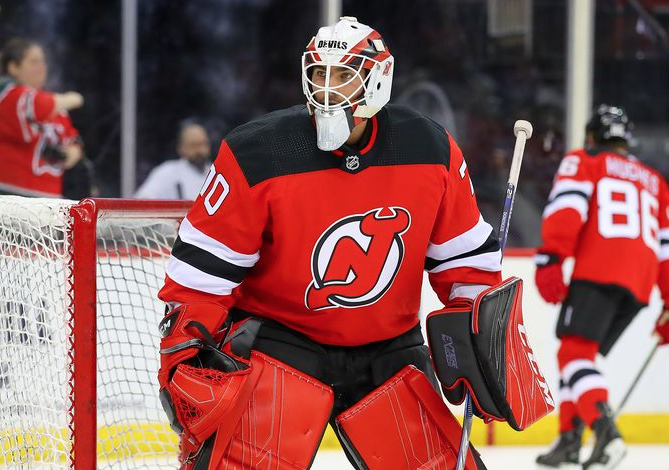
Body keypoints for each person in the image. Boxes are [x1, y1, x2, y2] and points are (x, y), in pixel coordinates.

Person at [156, 17, 550, 470]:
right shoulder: (257, 153)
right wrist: (182, 355)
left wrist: (477, 331)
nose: (328, 88)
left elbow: (465, 264)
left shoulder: (430, 148)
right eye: (319, 73)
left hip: (387, 347)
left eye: (343, 74)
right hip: (282, 342)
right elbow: (201, 275)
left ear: (378, 78)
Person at [535, 104, 669, 469]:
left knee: (573, 356)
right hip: (637, 286)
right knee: (578, 353)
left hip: (599, 269)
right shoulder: (656, 181)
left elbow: (568, 209)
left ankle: (605, 432)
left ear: (592, 137)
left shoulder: (586, 160)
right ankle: (569, 439)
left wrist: (551, 259)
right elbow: (665, 246)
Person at [0, 38, 85, 197]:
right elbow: (38, 106)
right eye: (34, 62)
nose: (42, 67)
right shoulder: (8, 95)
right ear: (13, 67)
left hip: (49, 201)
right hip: (11, 198)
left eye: (43, 61)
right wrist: (71, 99)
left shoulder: (56, 108)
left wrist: (72, 152)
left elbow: (73, 138)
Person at [135, 121, 212, 200]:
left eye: (203, 144)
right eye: (193, 145)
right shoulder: (167, 172)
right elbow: (142, 200)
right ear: (181, 148)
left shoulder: (216, 172)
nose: (199, 150)